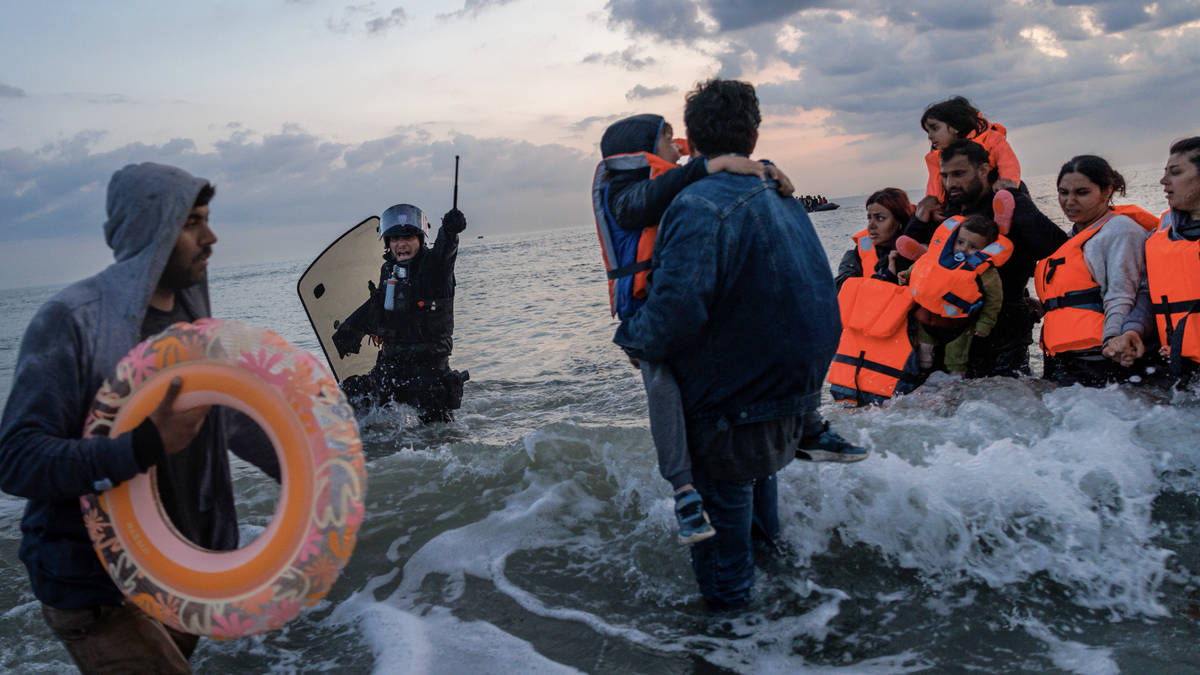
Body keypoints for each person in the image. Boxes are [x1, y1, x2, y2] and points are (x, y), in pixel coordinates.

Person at [0, 163, 280, 673]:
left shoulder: (191, 318)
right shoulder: (72, 321)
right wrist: (144, 444)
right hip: (98, 589)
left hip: (177, 571)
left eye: (207, 219)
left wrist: (309, 473)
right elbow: (17, 459)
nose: (211, 237)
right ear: (153, 228)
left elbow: (223, 420)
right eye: (192, 222)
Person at [614, 78, 855, 609]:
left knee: (726, 574)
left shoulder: (698, 203)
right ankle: (797, 624)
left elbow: (676, 312)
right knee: (766, 542)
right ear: (755, 134)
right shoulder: (781, 193)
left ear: (694, 140)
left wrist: (631, 336)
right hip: (791, 389)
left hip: (730, 405)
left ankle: (733, 642)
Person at [595, 113, 800, 545]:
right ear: (644, 150)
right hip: (646, 314)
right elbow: (650, 199)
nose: (678, 148)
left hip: (686, 309)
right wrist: (709, 164)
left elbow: (717, 177)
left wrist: (761, 168)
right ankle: (683, 489)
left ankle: (804, 428)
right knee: (663, 391)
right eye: (668, 140)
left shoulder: (674, 179)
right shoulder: (624, 192)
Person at [904, 139, 1068, 377]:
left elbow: (1056, 247)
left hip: (1003, 331)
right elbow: (911, 257)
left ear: (983, 169)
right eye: (945, 176)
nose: (950, 183)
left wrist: (1015, 196)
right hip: (949, 330)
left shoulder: (1006, 205)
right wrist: (918, 219)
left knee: (1006, 395)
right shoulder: (949, 212)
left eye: (959, 173)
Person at [332, 204, 469, 423]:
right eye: (395, 238)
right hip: (391, 367)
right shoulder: (388, 270)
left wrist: (450, 231)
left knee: (436, 433)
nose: (401, 244)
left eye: (408, 237)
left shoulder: (436, 266)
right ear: (388, 243)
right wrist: (351, 330)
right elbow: (378, 307)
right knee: (347, 398)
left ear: (420, 239)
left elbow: (446, 250)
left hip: (429, 373)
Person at [1035, 155, 1159, 386]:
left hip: (1104, 357)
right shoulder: (1074, 237)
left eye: (1082, 193)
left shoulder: (1120, 231)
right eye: (1063, 192)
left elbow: (1122, 295)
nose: (1069, 201)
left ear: (1106, 192)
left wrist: (1113, 340)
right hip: (1065, 357)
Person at [827, 188, 924, 405]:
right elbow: (841, 291)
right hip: (851, 375)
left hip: (897, 371)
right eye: (869, 217)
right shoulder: (856, 256)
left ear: (899, 222)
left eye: (880, 218)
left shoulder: (917, 258)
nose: (871, 225)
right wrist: (886, 277)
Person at [1121, 136, 1200, 382]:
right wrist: (1132, 329)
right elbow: (1149, 294)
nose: (1163, 181)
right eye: (1165, 172)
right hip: (1180, 369)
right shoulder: (1158, 236)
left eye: (1175, 173)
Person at [900, 215, 1005, 375]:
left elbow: (994, 300)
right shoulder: (939, 255)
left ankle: (954, 383)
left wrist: (985, 324)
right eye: (960, 242)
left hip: (959, 326)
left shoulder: (986, 273)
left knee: (955, 362)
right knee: (923, 358)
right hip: (926, 319)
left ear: (986, 250)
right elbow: (922, 267)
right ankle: (922, 378)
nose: (963, 249)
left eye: (973, 247)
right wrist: (906, 274)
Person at [918, 96, 1021, 209]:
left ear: (955, 126)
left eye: (935, 128)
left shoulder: (992, 139)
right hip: (961, 201)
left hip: (996, 193)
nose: (930, 136)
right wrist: (933, 206)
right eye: (928, 131)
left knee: (1019, 192)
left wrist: (1006, 187)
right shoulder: (937, 156)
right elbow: (935, 186)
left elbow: (1008, 165)